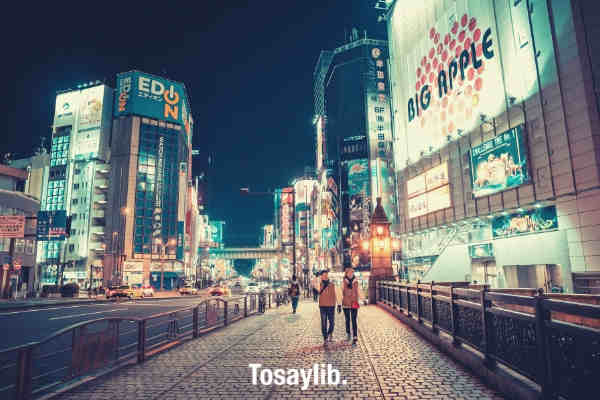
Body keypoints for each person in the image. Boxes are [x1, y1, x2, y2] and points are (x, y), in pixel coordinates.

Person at [318, 269, 341, 346]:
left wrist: (339, 304)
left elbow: (337, 294)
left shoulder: (332, 284)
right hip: (322, 306)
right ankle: (325, 338)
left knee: (332, 323)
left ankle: (330, 332)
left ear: (328, 275)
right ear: (321, 276)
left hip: (331, 306)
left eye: (326, 275)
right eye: (323, 275)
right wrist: (317, 276)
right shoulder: (319, 284)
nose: (325, 276)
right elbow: (312, 282)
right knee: (323, 323)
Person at [341, 266, 362, 344]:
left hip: (354, 302)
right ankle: (348, 332)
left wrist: (363, 299)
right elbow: (341, 292)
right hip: (346, 302)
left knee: (354, 319)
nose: (351, 274)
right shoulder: (343, 282)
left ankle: (355, 335)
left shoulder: (356, 281)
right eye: (349, 272)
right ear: (346, 273)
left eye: (352, 272)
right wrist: (339, 304)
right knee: (347, 319)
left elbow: (359, 291)